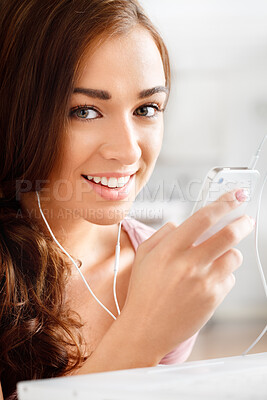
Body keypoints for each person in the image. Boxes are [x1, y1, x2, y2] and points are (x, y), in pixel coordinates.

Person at [0, 0, 254, 399]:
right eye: (84, 111)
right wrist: (143, 334)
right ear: (18, 111)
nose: (129, 152)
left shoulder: (155, 273)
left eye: (146, 108)